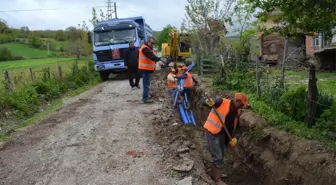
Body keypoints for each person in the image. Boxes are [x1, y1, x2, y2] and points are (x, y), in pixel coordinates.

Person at [201, 93, 248, 185]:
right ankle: (217, 180)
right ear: (237, 101)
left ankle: (214, 173)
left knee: (221, 155)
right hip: (212, 133)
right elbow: (202, 101)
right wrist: (207, 102)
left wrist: (235, 138)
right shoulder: (220, 101)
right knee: (218, 157)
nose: (242, 106)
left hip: (222, 135)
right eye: (241, 104)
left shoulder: (236, 112)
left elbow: (237, 128)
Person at [138, 37, 164, 103]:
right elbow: (151, 56)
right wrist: (160, 60)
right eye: (152, 43)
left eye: (153, 43)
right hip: (145, 69)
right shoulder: (145, 48)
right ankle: (145, 99)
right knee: (146, 85)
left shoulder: (148, 48)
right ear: (148, 42)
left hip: (147, 69)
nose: (153, 44)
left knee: (147, 84)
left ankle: (146, 98)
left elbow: (152, 55)